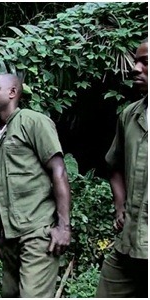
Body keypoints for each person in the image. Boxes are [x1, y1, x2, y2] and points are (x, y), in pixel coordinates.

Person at [0, 73, 71, 297]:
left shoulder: (32, 121)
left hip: (37, 231)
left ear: (12, 92)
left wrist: (63, 227)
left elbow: (59, 170)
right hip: (9, 237)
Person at [96, 40, 148, 298]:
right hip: (130, 240)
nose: (135, 68)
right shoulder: (130, 115)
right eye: (136, 61)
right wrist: (120, 206)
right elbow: (114, 166)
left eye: (145, 62)